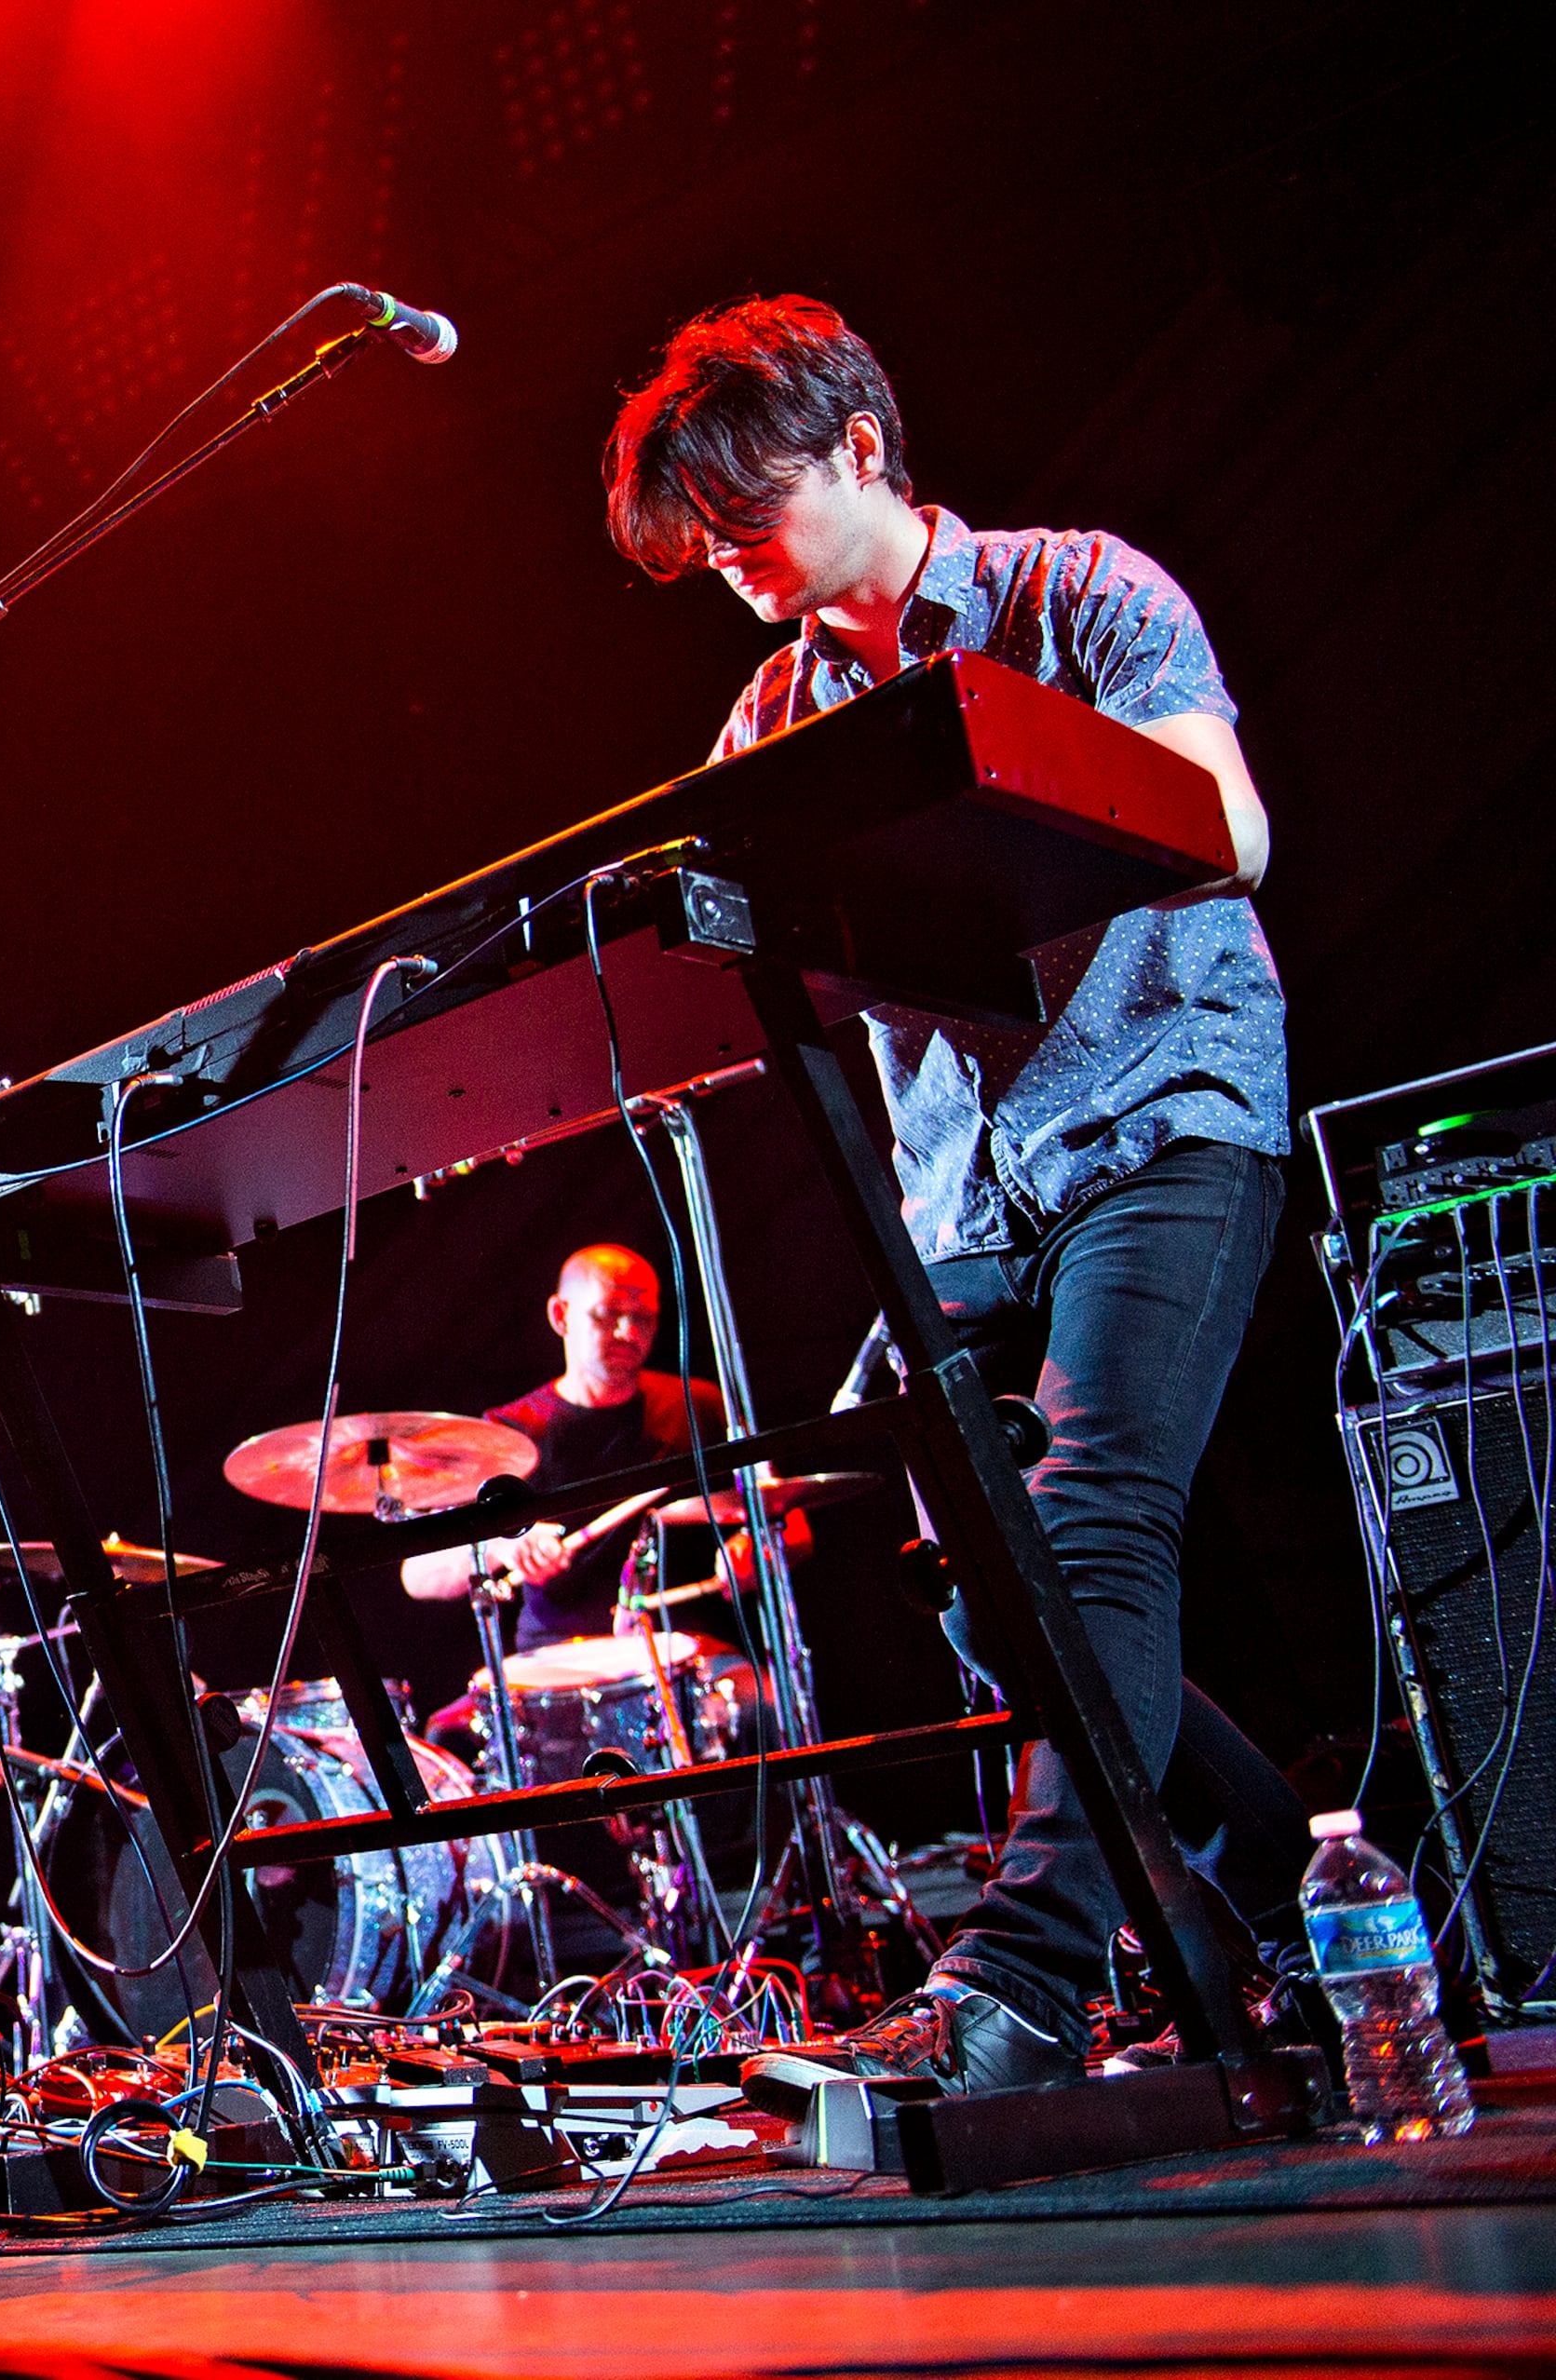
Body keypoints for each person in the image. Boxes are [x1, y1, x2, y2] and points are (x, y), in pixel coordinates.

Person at [600, 294, 1303, 2105]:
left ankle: (1021, 1988)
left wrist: (991, 789)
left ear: (858, 447)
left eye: (753, 501)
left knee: (1091, 1523)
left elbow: (1232, 832)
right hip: (963, 1194)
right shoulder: (769, 707)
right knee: (983, 1579)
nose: (731, 553)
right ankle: (1274, 1883)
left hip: (1165, 1115)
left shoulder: (1088, 595)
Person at [399, 1243, 796, 1653]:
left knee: (761, 1707)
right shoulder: (508, 1432)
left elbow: (791, 1519)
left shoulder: (701, 1407)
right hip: (557, 1660)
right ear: (561, 1315)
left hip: (687, 1649)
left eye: (643, 1318)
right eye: (609, 1314)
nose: (628, 1332)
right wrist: (503, 1544)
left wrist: (759, 1548)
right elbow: (419, 1575)